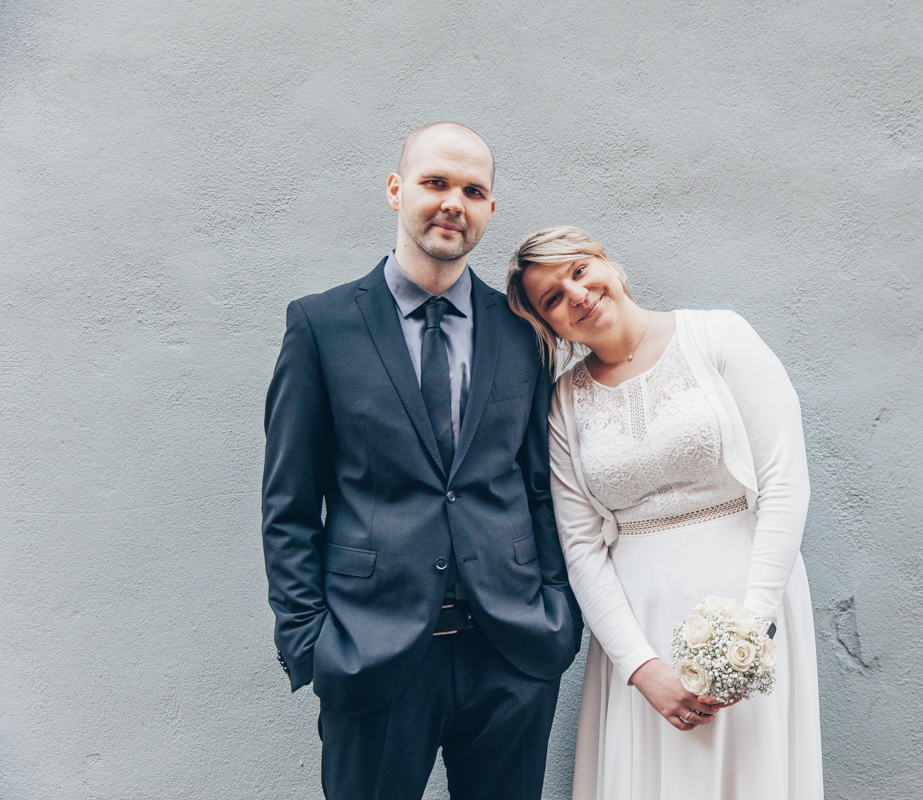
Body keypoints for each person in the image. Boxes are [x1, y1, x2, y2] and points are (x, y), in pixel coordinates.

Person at [261, 123, 583, 800]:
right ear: (396, 189)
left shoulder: (524, 332)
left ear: (490, 209)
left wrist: (558, 617)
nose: (452, 204)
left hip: (512, 653)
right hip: (372, 652)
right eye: (436, 183)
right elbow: (289, 505)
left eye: (473, 190)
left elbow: (539, 485)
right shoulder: (320, 326)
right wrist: (312, 643)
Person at [507, 227, 824, 800]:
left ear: (605, 263)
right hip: (639, 628)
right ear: (548, 325)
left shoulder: (720, 336)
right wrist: (641, 669)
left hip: (752, 605)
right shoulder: (563, 402)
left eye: (578, 271)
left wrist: (748, 632)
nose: (575, 295)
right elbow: (579, 546)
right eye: (552, 298)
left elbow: (784, 482)